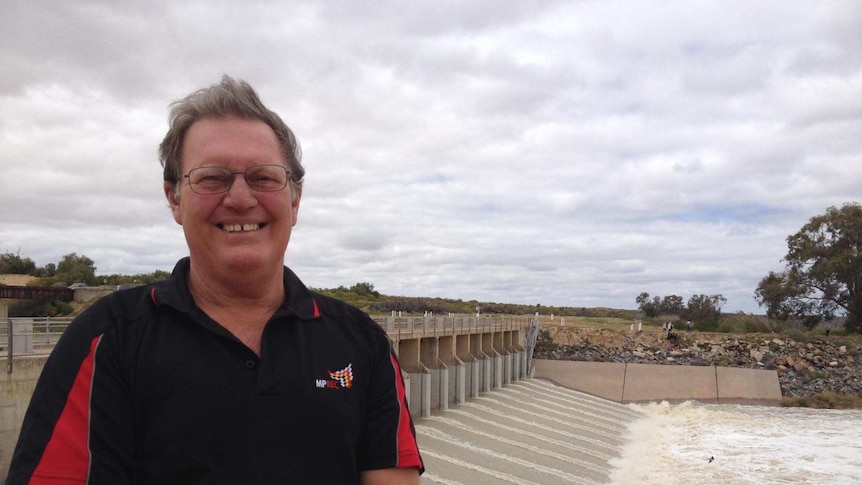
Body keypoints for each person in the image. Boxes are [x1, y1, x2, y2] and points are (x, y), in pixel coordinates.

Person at [7, 76, 424, 484]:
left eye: (263, 177)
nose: (240, 198)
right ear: (174, 198)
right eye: (212, 178)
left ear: (294, 200)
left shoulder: (363, 344)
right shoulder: (106, 341)